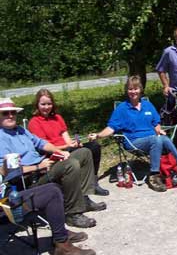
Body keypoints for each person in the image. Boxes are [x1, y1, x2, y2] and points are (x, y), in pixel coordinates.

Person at [0, 98, 106, 228]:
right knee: (70, 164)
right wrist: (38, 166)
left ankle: (83, 199)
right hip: (30, 179)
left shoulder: (21, 130)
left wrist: (59, 152)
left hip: (44, 166)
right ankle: (72, 213)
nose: (10, 116)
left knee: (84, 152)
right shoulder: (1, 138)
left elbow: (41, 143)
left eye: (13, 112)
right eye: (5, 113)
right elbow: (7, 172)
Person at [88, 76, 177, 192]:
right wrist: (97, 135)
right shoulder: (122, 108)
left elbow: (156, 122)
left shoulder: (147, 105)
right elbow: (111, 128)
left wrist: (158, 129)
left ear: (140, 90)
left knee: (164, 138)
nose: (133, 92)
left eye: (136, 89)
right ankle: (154, 175)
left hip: (152, 138)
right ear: (127, 91)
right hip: (133, 141)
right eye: (130, 89)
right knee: (156, 140)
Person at [27, 89, 109, 196]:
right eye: (43, 104)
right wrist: (67, 146)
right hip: (52, 153)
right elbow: (44, 146)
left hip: (66, 147)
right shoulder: (34, 122)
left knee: (94, 146)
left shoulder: (58, 118)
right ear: (37, 105)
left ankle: (93, 182)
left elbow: (67, 138)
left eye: (49, 104)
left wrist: (74, 144)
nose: (46, 107)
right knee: (79, 151)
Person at [0, 181, 96, 255]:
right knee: (52, 194)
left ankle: (60, 232)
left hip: (6, 194)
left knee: (54, 187)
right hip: (3, 207)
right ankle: (63, 247)